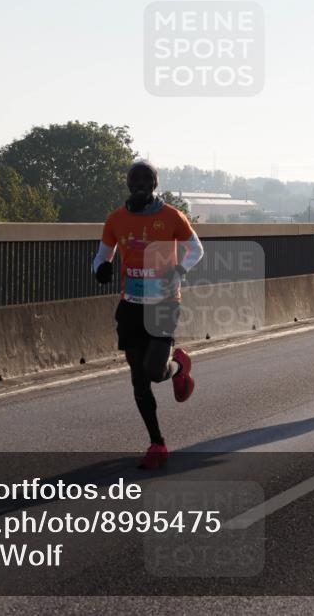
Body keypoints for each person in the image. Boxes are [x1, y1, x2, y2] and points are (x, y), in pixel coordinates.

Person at [93, 160, 204, 468]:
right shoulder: (116, 219)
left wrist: (179, 270)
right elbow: (104, 253)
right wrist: (100, 268)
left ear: (155, 184)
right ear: (128, 184)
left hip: (164, 303)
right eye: (135, 179)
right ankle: (157, 444)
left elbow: (196, 249)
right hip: (130, 305)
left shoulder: (171, 216)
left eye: (147, 179)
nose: (140, 183)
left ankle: (178, 366)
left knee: (155, 371)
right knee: (138, 380)